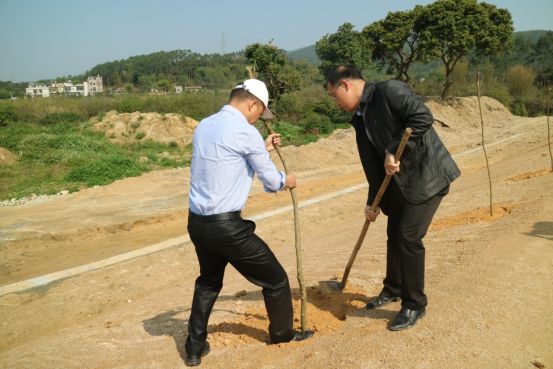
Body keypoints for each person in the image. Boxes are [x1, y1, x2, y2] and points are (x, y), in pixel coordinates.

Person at [185, 79, 313, 366]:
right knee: (276, 279)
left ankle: (194, 347)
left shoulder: (204, 125)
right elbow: (271, 181)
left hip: (198, 224)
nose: (258, 118)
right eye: (260, 113)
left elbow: (227, 160)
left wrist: (262, 148)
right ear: (252, 104)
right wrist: (286, 180)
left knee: (208, 281)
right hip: (227, 228)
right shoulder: (246, 131)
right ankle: (282, 334)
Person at [326, 66, 460, 331]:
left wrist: (392, 150)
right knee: (393, 234)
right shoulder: (360, 117)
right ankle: (394, 288)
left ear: (345, 84)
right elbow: (374, 167)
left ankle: (414, 304)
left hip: (427, 177)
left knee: (408, 236)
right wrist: (372, 201)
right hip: (401, 185)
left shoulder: (390, 91)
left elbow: (423, 117)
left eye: (333, 95)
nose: (335, 101)